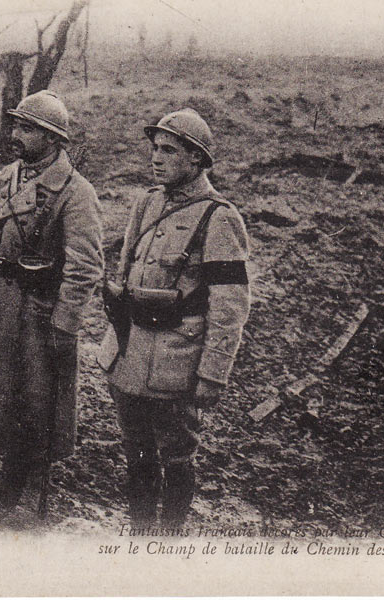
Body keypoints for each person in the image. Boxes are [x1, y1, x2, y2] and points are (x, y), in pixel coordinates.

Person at [97, 108, 251, 527]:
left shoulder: (219, 218)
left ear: (197, 159)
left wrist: (212, 374)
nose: (156, 158)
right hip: (129, 354)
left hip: (175, 362)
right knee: (136, 450)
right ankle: (141, 534)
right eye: (154, 149)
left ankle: (169, 540)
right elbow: (126, 269)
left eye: (168, 150)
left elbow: (229, 307)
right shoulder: (146, 203)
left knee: (177, 454)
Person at [0, 90, 104, 509]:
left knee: (34, 393)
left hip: (40, 309)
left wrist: (65, 323)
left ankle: (18, 478)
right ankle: (11, 466)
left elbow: (85, 265)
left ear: (53, 139)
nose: (16, 135)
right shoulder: (9, 176)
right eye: (17, 125)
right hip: (2, 299)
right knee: (3, 385)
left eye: (28, 129)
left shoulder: (76, 192)